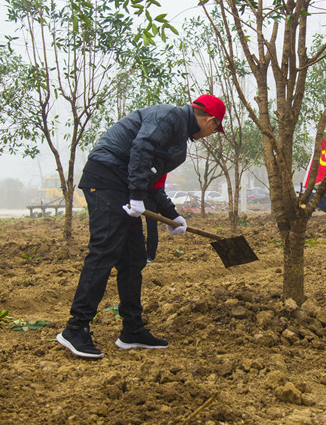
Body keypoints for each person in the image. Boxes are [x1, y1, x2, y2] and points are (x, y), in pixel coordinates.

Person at [57, 94, 226, 359]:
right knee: (104, 251)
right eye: (216, 128)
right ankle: (75, 327)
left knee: (134, 258)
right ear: (209, 120)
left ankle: (132, 330)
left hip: (123, 187)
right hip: (105, 178)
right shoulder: (169, 116)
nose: (213, 133)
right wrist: (135, 195)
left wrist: (173, 215)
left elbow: (154, 183)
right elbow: (140, 148)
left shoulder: (177, 143)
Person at [144, 174, 170, 263]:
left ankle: (150, 255)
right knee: (132, 221)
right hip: (138, 190)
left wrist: (171, 214)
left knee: (151, 225)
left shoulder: (162, 168)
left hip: (152, 195)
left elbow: (159, 191)